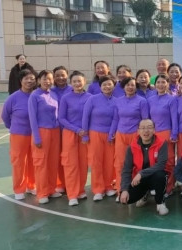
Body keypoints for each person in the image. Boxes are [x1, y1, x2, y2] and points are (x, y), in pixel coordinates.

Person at [118, 119, 170, 216]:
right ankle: (144, 194)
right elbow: (126, 170)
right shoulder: (131, 147)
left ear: (154, 130)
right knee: (126, 199)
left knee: (160, 175)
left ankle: (160, 203)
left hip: (155, 177)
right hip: (140, 180)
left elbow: (161, 165)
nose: (146, 131)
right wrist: (124, 189)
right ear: (138, 131)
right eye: (142, 128)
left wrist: (141, 174)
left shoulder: (162, 143)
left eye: (149, 127)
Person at [109, 76, 150, 196]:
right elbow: (116, 119)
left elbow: (145, 120)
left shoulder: (142, 101)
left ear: (136, 87)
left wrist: (144, 135)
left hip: (136, 135)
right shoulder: (118, 101)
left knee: (138, 163)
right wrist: (112, 132)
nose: (130, 87)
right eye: (127, 85)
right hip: (121, 135)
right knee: (120, 163)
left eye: (132, 85)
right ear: (123, 87)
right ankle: (121, 189)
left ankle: (138, 190)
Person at [27, 70, 62, 204]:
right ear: (38, 80)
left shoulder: (54, 94)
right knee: (41, 163)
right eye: (44, 79)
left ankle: (51, 189)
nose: (47, 81)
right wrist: (37, 137)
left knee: (53, 162)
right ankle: (42, 192)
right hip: (42, 132)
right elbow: (32, 118)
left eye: (49, 79)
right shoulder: (35, 96)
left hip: (55, 131)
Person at [2, 69, 37, 199]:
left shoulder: (37, 95)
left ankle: (31, 185)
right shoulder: (13, 98)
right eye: (26, 78)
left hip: (35, 135)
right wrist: (13, 127)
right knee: (19, 162)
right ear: (21, 81)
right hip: (19, 135)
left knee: (33, 161)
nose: (29, 81)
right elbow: (5, 116)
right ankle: (19, 189)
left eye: (32, 78)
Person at [82, 76, 118, 200]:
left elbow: (116, 119)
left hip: (110, 135)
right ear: (100, 87)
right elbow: (85, 117)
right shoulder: (92, 99)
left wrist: (111, 133)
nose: (107, 87)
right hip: (94, 134)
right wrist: (85, 135)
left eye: (109, 84)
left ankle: (108, 186)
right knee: (96, 162)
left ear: (114, 86)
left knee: (109, 162)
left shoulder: (116, 101)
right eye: (104, 85)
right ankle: (98, 189)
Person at [58, 71, 91, 206]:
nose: (77, 83)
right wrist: (77, 130)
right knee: (71, 164)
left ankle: (81, 190)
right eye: (74, 81)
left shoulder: (90, 97)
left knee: (83, 164)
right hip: (70, 134)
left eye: (79, 81)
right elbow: (61, 118)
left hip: (85, 134)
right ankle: (72, 194)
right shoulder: (65, 98)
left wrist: (85, 132)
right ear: (70, 83)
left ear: (84, 82)